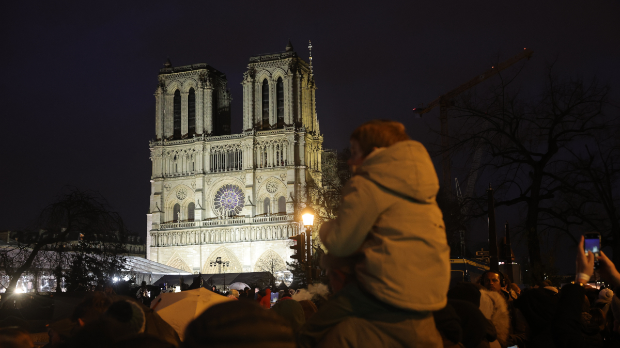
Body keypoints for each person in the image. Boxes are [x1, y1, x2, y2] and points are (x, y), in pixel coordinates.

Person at [298, 120, 450, 347]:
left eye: (355, 152)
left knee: (313, 329)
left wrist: (325, 227)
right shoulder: (420, 187)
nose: (349, 160)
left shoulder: (369, 183)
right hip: (431, 293)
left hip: (387, 287)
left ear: (376, 153)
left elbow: (341, 243)